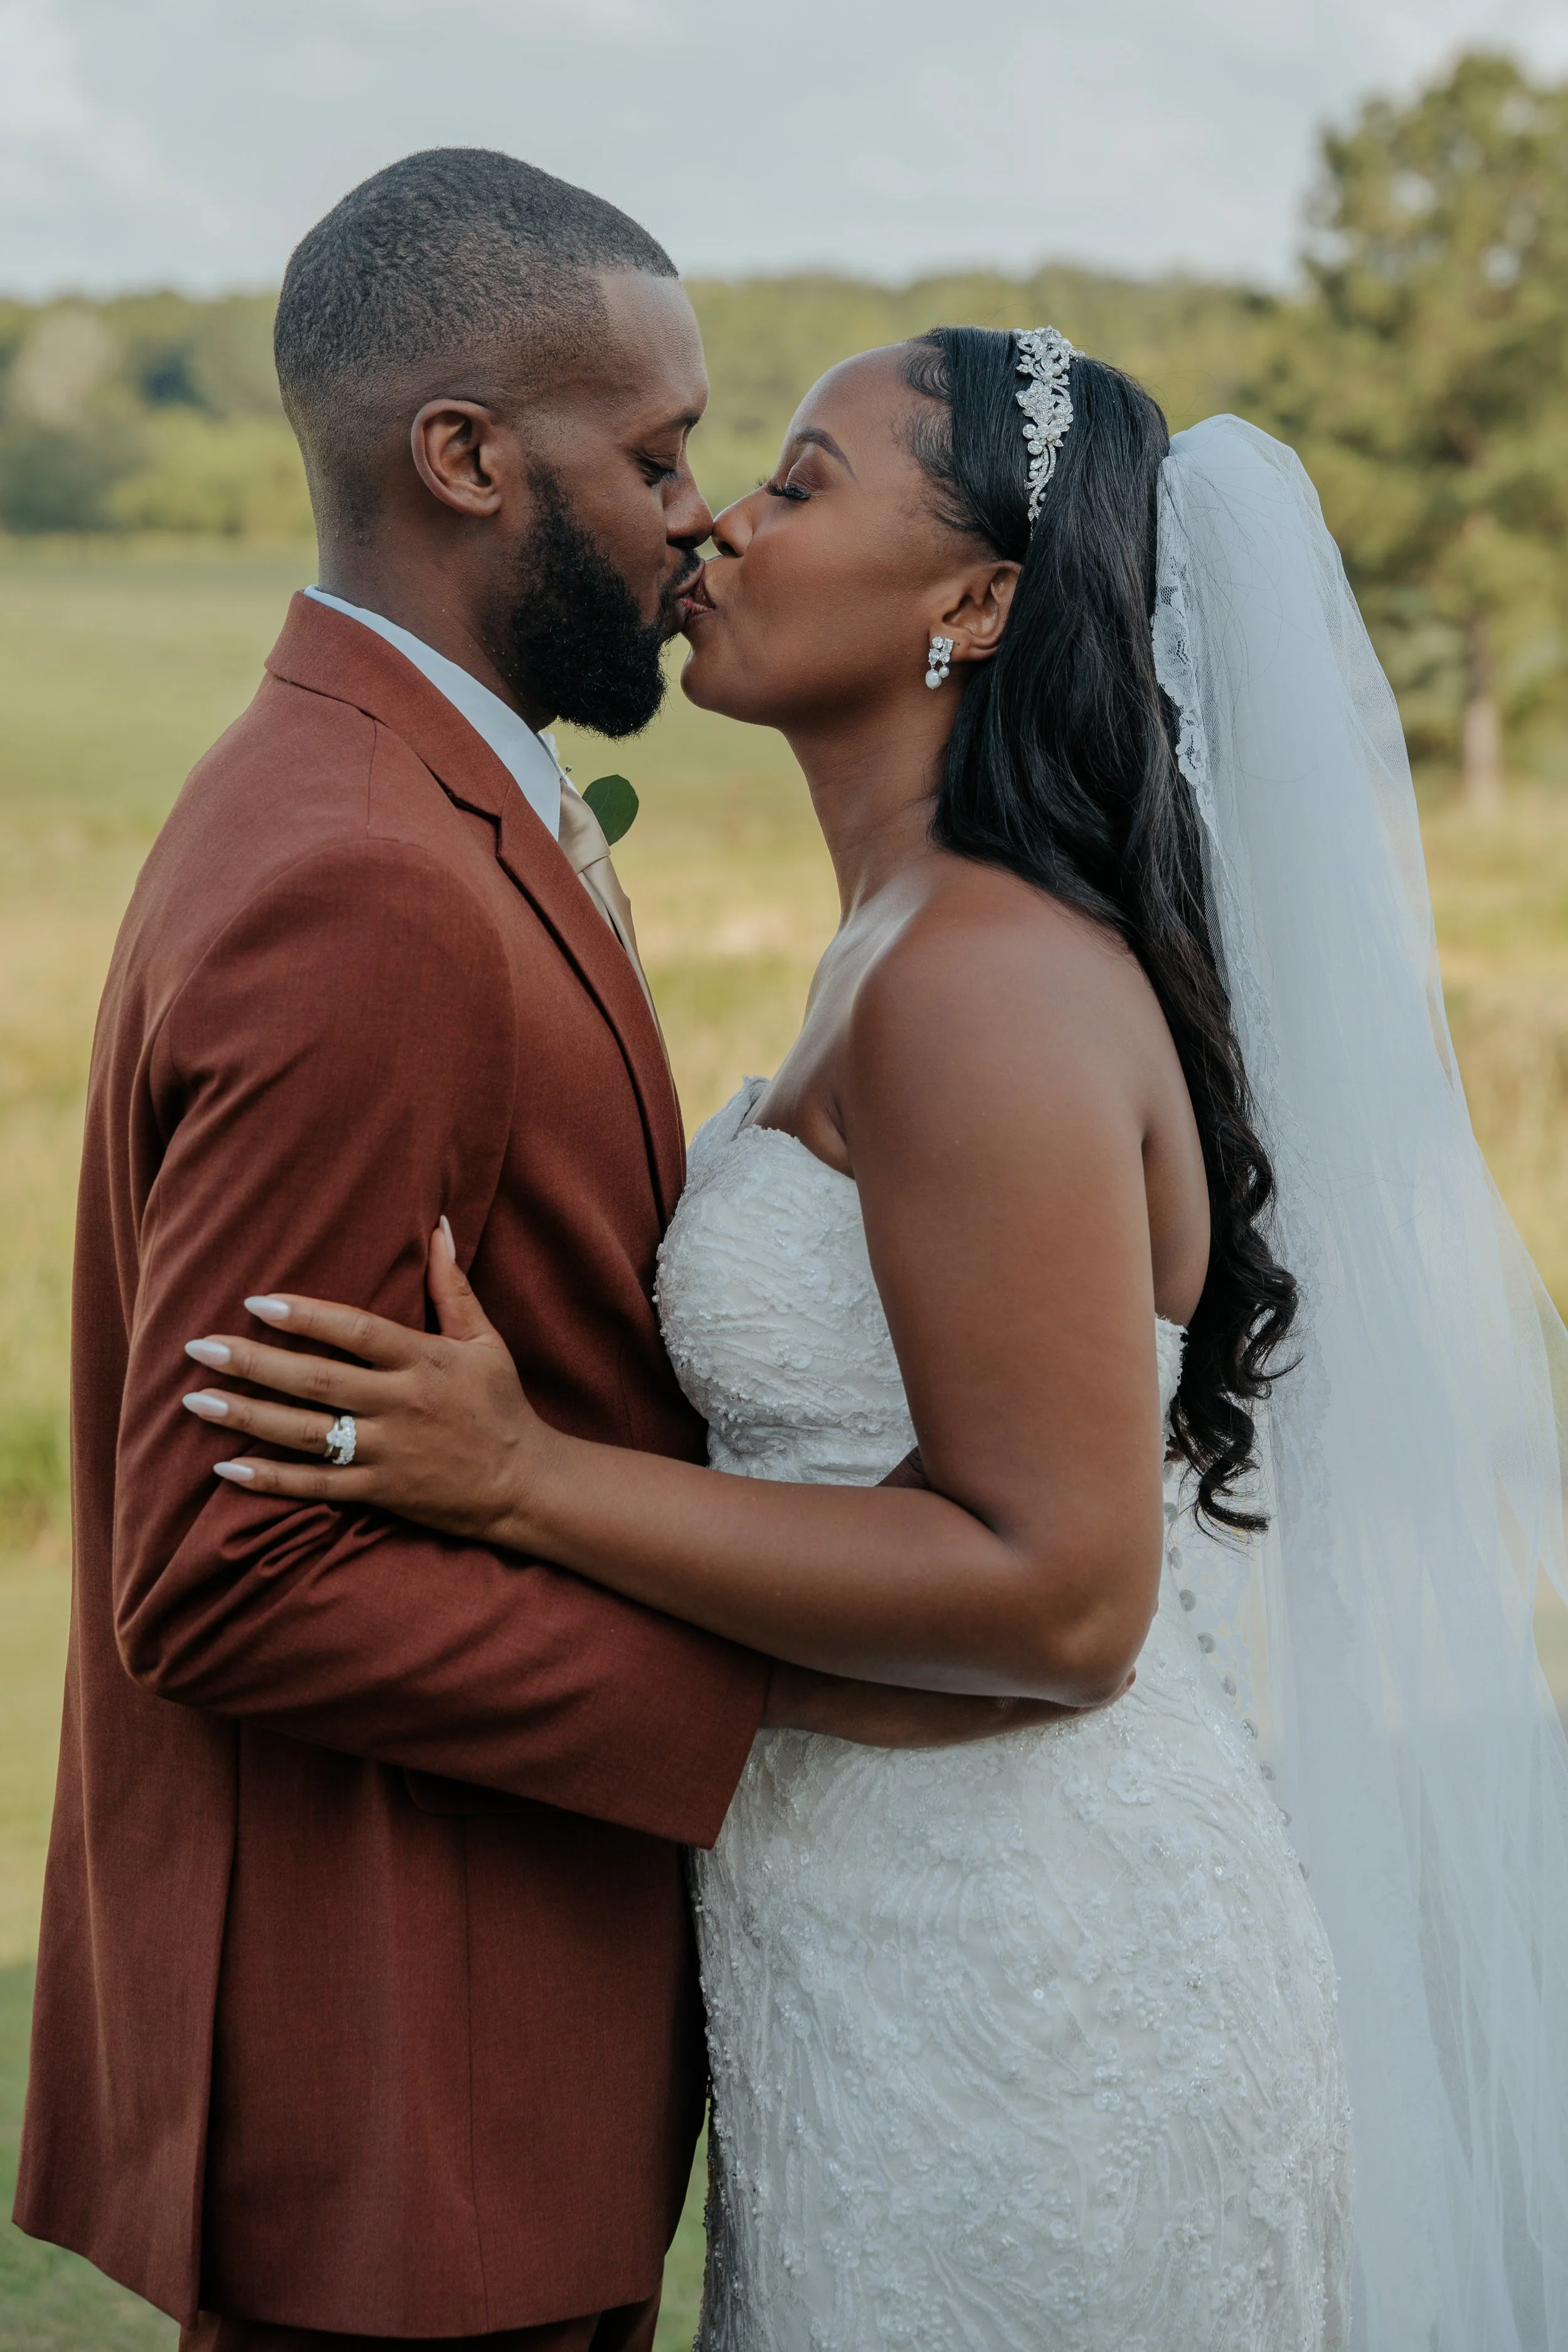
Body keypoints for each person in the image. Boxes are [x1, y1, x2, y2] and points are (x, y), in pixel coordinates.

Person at [194, 326, 1568, 2349]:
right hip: (873, 1951)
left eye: (802, 480)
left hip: (1031, 1988)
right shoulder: (902, 946)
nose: (718, 522)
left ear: (978, 600)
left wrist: (521, 1479)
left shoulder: (977, 984)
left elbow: (1059, 1588)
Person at [12, 155, 1073, 2352]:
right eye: (662, 453)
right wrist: (773, 1700)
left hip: (499, 2090)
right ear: (469, 458)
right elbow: (224, 1566)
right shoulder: (370, 877)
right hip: (418, 2099)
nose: (701, 517)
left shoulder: (397, 792)